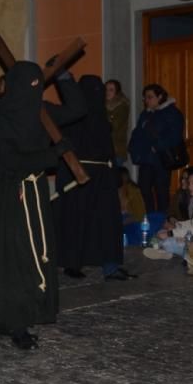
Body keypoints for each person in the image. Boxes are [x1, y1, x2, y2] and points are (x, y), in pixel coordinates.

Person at [0, 61, 85, 350]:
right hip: (12, 196)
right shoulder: (2, 119)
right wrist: (50, 155)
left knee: (37, 255)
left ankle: (22, 314)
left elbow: (78, 109)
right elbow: (7, 162)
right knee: (16, 257)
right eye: (30, 84)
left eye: (38, 83)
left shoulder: (41, 111)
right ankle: (14, 321)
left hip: (36, 193)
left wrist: (65, 78)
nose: (35, 90)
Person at [53, 75, 132, 281]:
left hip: (102, 177)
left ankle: (110, 264)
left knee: (106, 221)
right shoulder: (73, 117)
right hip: (78, 176)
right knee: (76, 221)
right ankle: (73, 262)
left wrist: (112, 171)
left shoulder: (101, 117)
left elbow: (108, 148)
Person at [128, 83, 184, 214]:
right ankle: (149, 218)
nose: (146, 100)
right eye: (145, 98)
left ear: (160, 97)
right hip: (146, 159)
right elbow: (137, 133)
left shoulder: (172, 113)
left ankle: (161, 220)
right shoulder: (145, 114)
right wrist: (133, 147)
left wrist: (157, 147)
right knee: (144, 190)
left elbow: (175, 136)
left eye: (150, 97)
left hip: (161, 159)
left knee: (161, 192)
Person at [143, 169, 193, 260]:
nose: (190, 187)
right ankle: (164, 251)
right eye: (189, 183)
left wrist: (171, 233)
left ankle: (166, 251)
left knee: (168, 241)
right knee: (161, 234)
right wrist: (177, 226)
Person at [105, 79, 130, 165]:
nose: (107, 92)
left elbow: (114, 125)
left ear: (117, 92)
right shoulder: (102, 104)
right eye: (106, 89)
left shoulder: (121, 106)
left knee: (115, 176)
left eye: (111, 90)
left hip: (116, 149)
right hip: (106, 150)